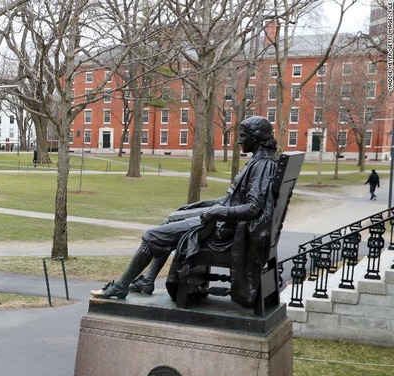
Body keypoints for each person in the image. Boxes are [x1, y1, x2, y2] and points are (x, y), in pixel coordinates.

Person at [90, 116, 279, 308]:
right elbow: (236, 199)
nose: (238, 140)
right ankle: (147, 281)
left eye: (243, 135)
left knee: (151, 236)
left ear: (255, 138)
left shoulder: (263, 165)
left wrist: (216, 211)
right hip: (226, 222)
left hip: (225, 231)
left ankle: (121, 286)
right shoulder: (260, 160)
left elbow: (254, 208)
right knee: (171, 219)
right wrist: (205, 204)